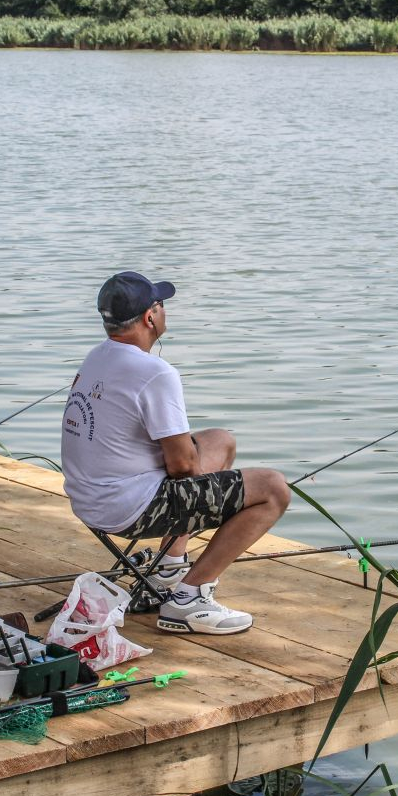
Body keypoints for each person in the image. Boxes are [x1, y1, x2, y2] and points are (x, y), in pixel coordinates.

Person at [60, 271, 290, 635]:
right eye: (160, 305)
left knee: (220, 440)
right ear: (151, 317)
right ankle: (189, 599)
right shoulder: (155, 372)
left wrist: (202, 478)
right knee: (273, 488)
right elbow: (182, 467)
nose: (164, 312)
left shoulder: (96, 357)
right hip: (126, 509)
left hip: (88, 499)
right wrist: (211, 491)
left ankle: (169, 568)